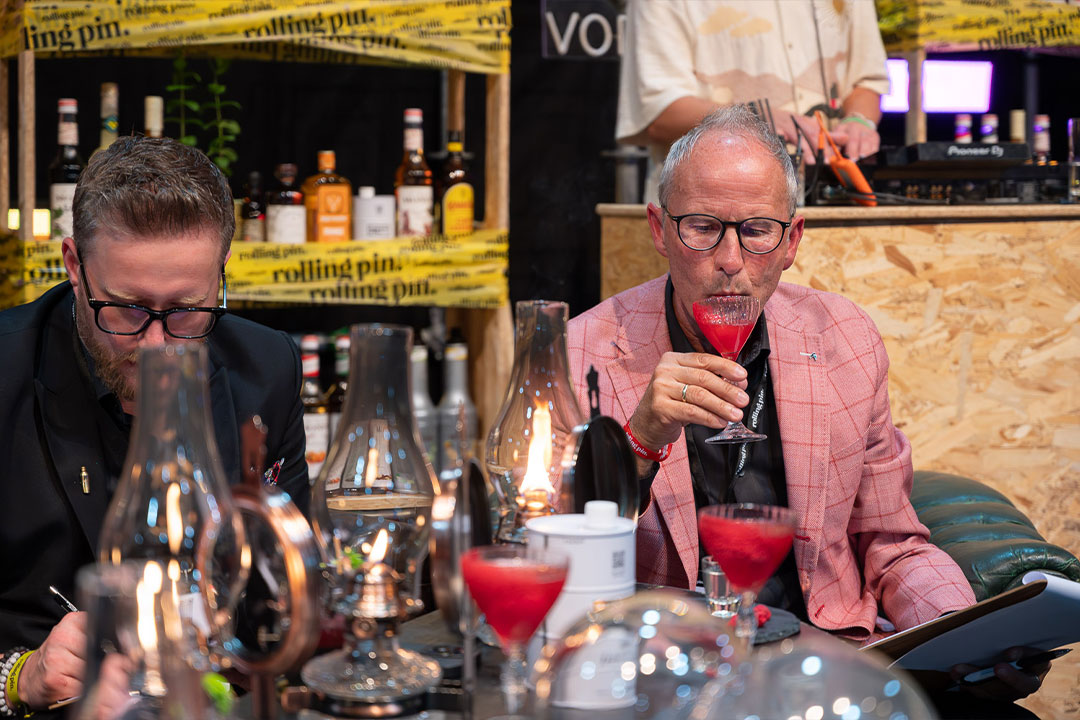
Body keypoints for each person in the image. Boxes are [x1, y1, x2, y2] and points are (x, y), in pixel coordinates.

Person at [567, 106, 1049, 712]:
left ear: (791, 241)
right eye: (702, 227)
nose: (730, 260)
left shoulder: (846, 338)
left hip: (828, 661)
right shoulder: (583, 351)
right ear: (660, 230)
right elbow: (557, 550)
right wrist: (638, 441)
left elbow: (891, 543)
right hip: (665, 667)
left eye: (756, 231)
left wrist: (967, 636)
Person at [0, 136, 309, 715]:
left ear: (220, 273)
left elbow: (285, 595)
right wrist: (18, 677)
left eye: (187, 310)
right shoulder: (6, 371)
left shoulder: (268, 369)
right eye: (127, 309)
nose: (156, 347)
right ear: (75, 267)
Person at [617, 0, 888, 200]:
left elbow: (867, 82)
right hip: (712, 217)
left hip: (831, 205)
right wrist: (756, 118)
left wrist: (858, 121)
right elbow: (658, 114)